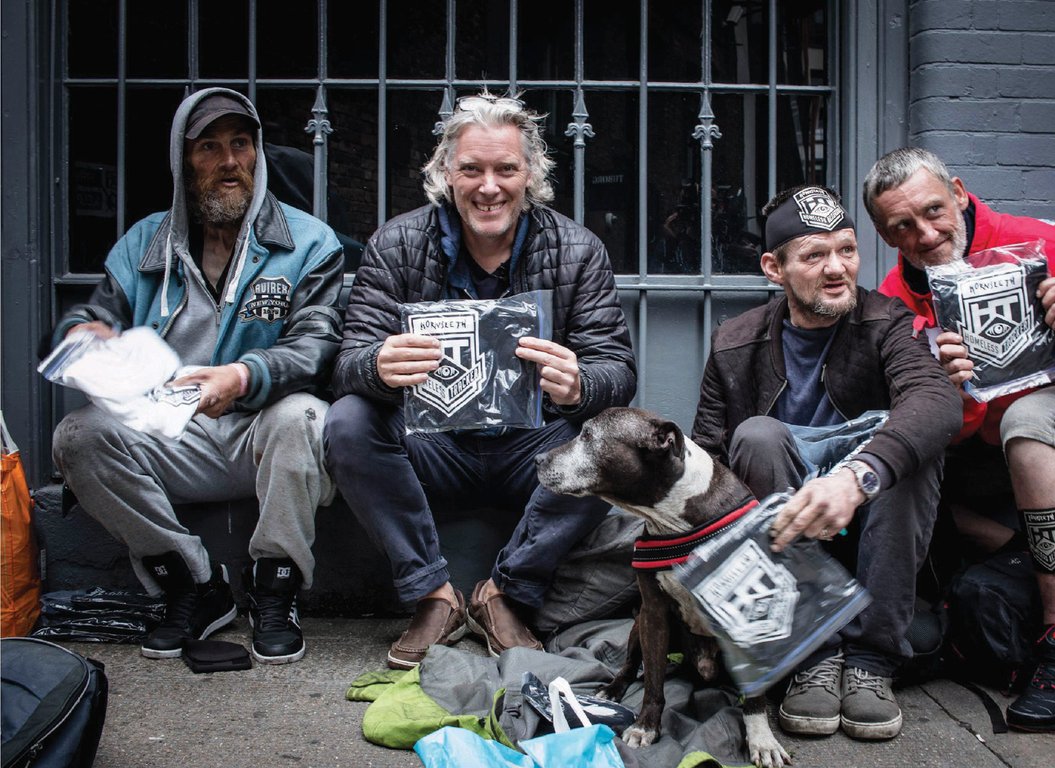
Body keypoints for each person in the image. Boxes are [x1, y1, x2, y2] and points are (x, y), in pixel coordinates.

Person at [323, 93, 636, 670]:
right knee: (346, 421)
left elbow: (616, 371)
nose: (488, 186)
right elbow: (346, 364)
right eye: (472, 169)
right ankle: (432, 594)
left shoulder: (576, 249)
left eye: (505, 169)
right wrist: (376, 366)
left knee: (615, 437)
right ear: (446, 173)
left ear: (531, 176)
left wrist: (580, 385)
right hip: (430, 446)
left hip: (532, 449)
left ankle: (506, 592)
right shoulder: (395, 244)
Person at [863, 147, 1055, 732]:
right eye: (903, 226)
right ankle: (1017, 561)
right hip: (988, 439)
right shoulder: (897, 303)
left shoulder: (1046, 245)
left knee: (1032, 421)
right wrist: (949, 393)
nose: (925, 234)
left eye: (933, 211)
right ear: (885, 234)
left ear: (957, 191)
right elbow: (941, 423)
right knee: (891, 457)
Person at [51, 88, 344, 665]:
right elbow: (96, 316)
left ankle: (275, 585)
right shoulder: (143, 243)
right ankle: (194, 584)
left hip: (260, 433)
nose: (228, 161)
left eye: (240, 144)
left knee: (306, 415)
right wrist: (83, 336)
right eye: (208, 147)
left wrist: (241, 375)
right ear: (184, 161)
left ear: (258, 154)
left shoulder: (308, 242)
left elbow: (317, 346)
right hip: (170, 434)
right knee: (77, 436)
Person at [691, 185, 960, 741]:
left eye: (847, 250)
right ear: (774, 268)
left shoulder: (887, 321)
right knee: (758, 436)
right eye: (815, 256)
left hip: (875, 532)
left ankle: (871, 659)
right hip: (785, 534)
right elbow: (709, 461)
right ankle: (810, 652)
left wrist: (857, 477)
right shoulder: (733, 342)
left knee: (907, 441)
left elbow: (937, 402)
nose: (837, 269)